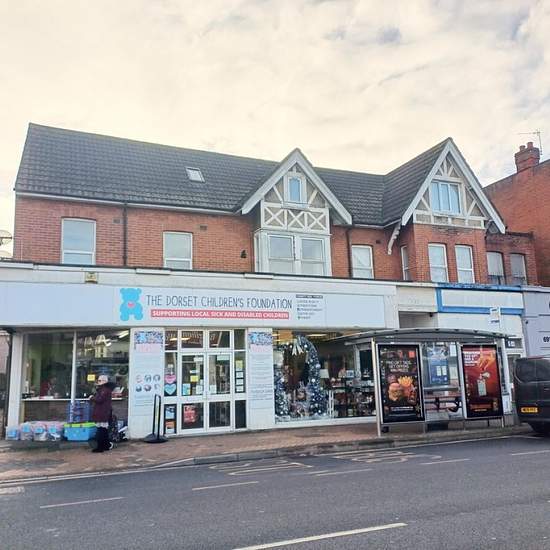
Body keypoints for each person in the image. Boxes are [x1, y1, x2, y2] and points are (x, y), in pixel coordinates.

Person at [90, 375, 115, 453]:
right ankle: (105, 445)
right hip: (103, 412)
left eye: (99, 381)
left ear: (104, 381)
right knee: (103, 430)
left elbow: (100, 400)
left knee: (101, 430)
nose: (98, 382)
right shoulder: (104, 389)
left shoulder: (104, 390)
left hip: (102, 413)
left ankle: (100, 447)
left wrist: (92, 398)